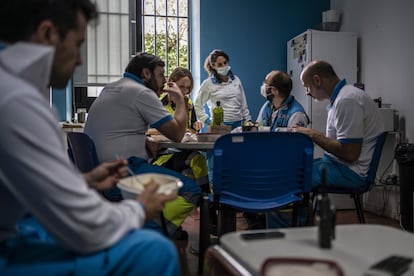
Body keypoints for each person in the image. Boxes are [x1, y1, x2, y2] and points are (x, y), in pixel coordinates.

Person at [0, 0, 179, 275]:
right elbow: (88, 228)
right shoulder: (17, 101)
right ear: (48, 34)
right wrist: (139, 209)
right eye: (78, 43)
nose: (80, 59)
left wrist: (82, 182)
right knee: (154, 250)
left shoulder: (12, 89)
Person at [84, 53, 202, 239]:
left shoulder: (112, 88)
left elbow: (119, 126)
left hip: (99, 172)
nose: (164, 80)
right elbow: (177, 134)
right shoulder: (141, 92)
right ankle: (147, 232)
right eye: (161, 74)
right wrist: (180, 100)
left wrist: (143, 139)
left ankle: (148, 226)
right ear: (146, 73)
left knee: (183, 167)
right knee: (191, 189)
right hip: (124, 171)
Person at [293, 60, 383, 191]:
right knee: (296, 167)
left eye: (307, 86)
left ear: (317, 80)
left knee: (291, 176)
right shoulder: (341, 98)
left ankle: (281, 210)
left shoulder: (347, 100)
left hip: (351, 173)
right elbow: (339, 142)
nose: (307, 92)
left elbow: (350, 153)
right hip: (338, 165)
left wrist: (311, 134)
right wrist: (310, 133)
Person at [245, 70, 309, 230]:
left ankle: (265, 218)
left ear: (273, 90)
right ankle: (255, 216)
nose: (262, 86)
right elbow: (258, 130)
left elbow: (294, 151)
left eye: (265, 83)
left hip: (284, 168)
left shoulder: (297, 114)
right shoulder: (268, 106)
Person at [153, 67, 210, 194]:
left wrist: (196, 126)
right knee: (197, 159)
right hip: (165, 153)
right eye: (181, 86)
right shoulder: (159, 105)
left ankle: (205, 199)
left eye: (188, 88)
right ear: (171, 83)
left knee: (198, 159)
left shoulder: (189, 103)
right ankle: (207, 199)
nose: (184, 91)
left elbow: (191, 130)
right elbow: (152, 131)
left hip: (185, 149)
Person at [194, 49, 252, 130]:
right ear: (213, 66)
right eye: (220, 64)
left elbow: (243, 102)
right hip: (220, 125)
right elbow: (197, 105)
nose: (224, 66)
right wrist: (208, 121)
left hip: (239, 123)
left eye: (225, 63)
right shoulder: (208, 84)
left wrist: (248, 119)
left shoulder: (236, 80)